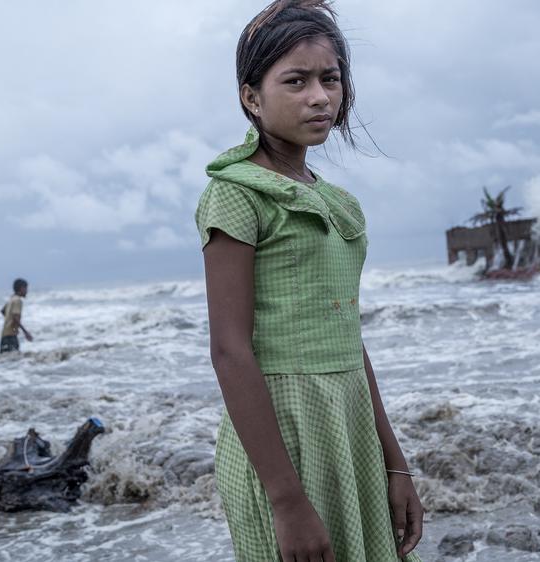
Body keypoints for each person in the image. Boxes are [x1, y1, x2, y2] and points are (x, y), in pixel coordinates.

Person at [195, 2, 423, 560]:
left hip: (350, 430)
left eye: (330, 78)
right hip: (283, 435)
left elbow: (349, 339)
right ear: (252, 97)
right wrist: (287, 500)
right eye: (295, 81)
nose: (319, 96)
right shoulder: (237, 193)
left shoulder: (337, 202)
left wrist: (396, 465)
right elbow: (229, 351)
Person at [0, 278, 33, 353]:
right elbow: (15, 318)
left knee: (6, 360)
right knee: (14, 357)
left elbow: (3, 311)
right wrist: (26, 333)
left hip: (4, 335)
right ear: (21, 288)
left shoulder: (11, 299)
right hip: (11, 336)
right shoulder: (18, 300)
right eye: (26, 288)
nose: (27, 291)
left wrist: (8, 321)